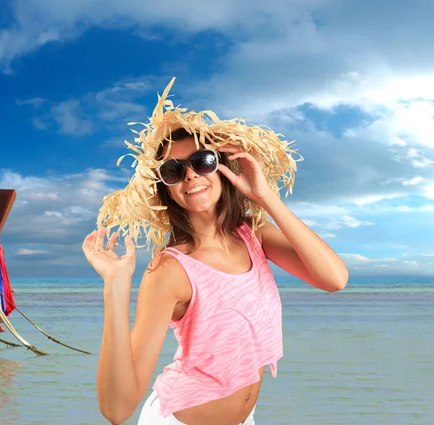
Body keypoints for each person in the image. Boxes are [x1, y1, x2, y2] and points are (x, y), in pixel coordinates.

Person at [82, 77, 349, 425]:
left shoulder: (253, 234)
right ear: (167, 189)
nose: (190, 175)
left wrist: (265, 197)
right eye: (174, 171)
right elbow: (117, 410)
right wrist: (115, 286)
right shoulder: (169, 271)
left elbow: (334, 279)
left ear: (223, 167)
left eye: (202, 161)